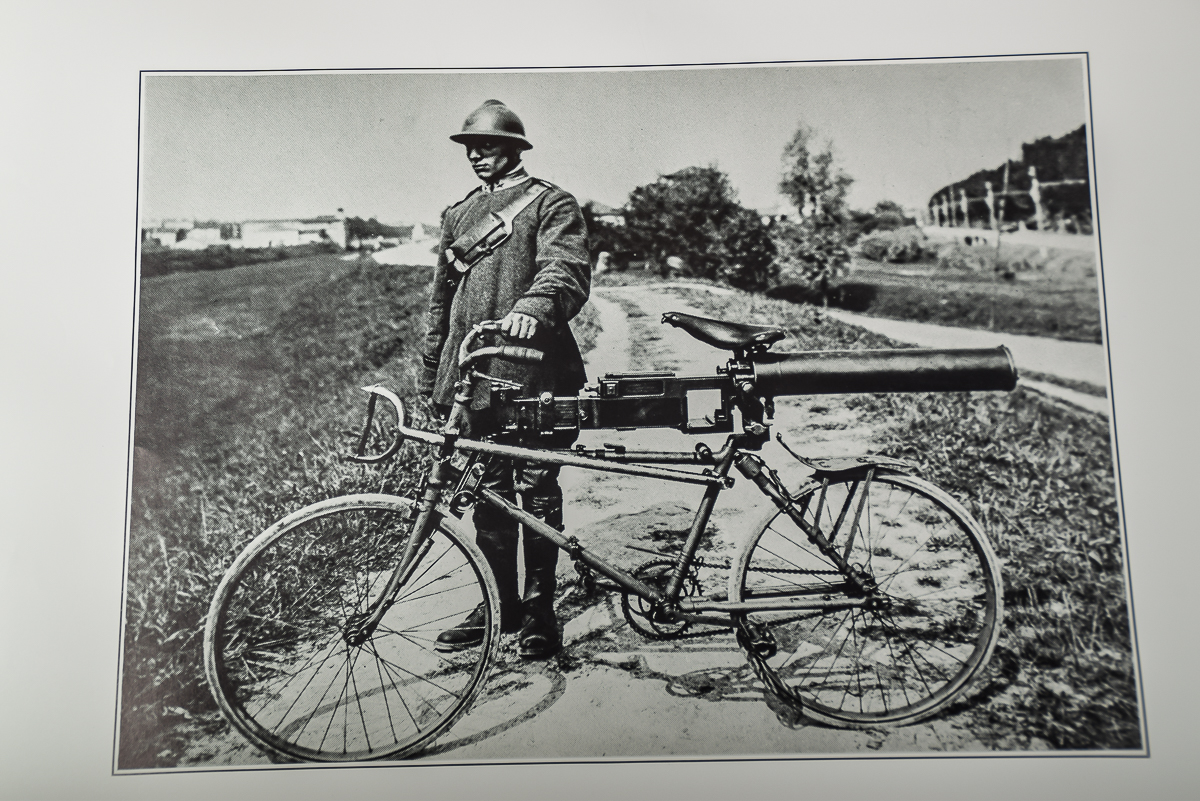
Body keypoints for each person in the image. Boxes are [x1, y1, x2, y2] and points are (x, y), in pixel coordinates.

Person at [420, 100, 591, 659]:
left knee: (537, 490)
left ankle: (541, 610)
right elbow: (440, 301)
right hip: (474, 377)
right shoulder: (458, 215)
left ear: (514, 148)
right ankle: (502, 603)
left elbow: (565, 269)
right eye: (469, 147)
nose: (475, 155)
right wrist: (431, 371)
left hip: (537, 372)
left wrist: (534, 306)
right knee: (488, 495)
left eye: (487, 145)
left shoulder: (550, 203)